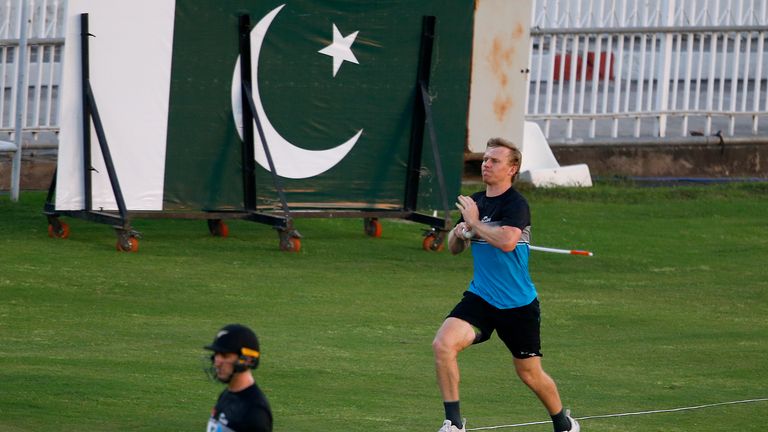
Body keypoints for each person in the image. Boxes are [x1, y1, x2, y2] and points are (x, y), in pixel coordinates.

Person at [432, 137, 580, 432]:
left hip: (518, 305)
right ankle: (454, 423)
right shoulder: (477, 202)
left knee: (529, 373)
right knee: (443, 344)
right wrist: (460, 232)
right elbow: (453, 248)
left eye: (494, 160)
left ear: (512, 169)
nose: (486, 164)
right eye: (485, 159)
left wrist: (474, 224)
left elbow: (508, 241)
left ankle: (564, 423)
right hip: (481, 298)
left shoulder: (516, 205)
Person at [205, 324, 273, 432]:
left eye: (225, 355)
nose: (217, 363)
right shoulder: (227, 395)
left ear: (247, 360)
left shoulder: (254, 412)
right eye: (216, 354)